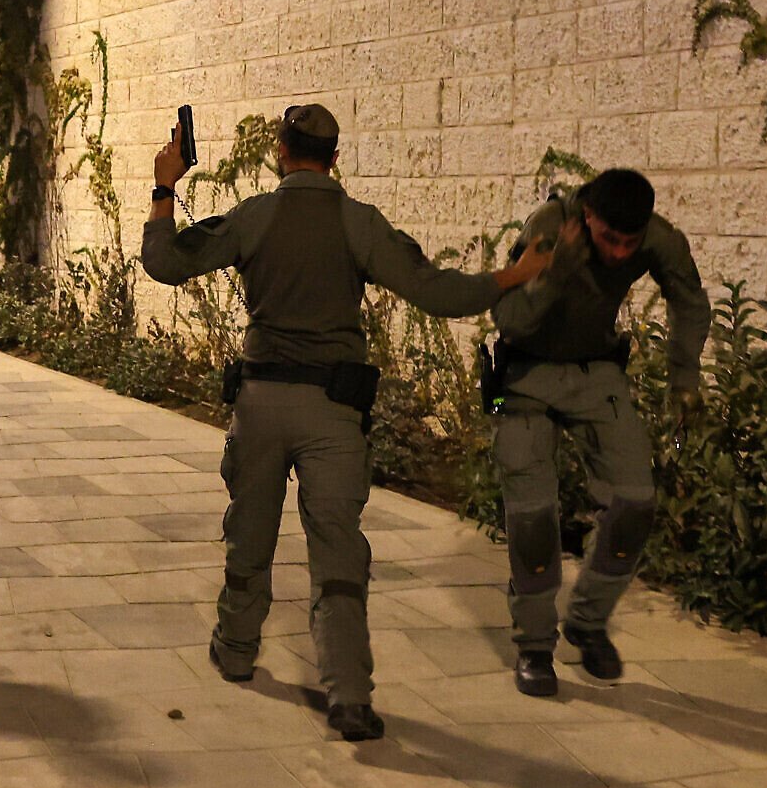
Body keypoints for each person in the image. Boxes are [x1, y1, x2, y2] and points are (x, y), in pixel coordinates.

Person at [141, 103, 554, 740]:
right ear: (335, 158)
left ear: (280, 152)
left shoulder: (255, 216)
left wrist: (165, 185)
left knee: (249, 531)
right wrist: (516, 274)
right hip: (333, 412)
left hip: (261, 404)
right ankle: (350, 695)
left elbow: (165, 263)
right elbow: (438, 293)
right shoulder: (360, 224)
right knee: (337, 548)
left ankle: (236, 650)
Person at [487, 168, 710, 696]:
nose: (619, 253)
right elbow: (509, 318)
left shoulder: (656, 238)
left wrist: (684, 378)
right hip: (526, 373)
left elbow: (690, 300)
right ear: (588, 217)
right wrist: (556, 271)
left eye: (629, 243)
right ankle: (534, 645)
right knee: (533, 517)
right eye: (609, 239)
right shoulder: (551, 226)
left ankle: (587, 622)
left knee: (635, 502)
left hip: (596, 372)